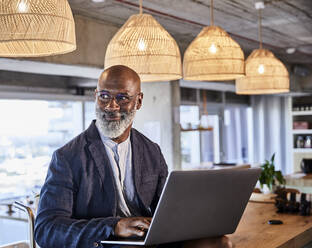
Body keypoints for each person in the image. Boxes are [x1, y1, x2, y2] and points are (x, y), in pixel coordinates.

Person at [34, 65, 233, 248]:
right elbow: (46, 230)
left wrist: (193, 220)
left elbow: (166, 209)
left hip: (149, 240)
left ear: (138, 101)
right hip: (105, 243)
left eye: (122, 98)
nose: (111, 106)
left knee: (220, 243)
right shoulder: (67, 157)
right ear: (95, 96)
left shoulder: (151, 150)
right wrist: (114, 226)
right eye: (104, 96)